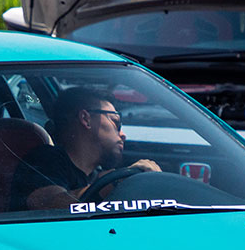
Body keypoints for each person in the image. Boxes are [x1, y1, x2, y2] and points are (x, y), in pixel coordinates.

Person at [8, 86, 159, 211]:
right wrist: (117, 182)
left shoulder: (92, 174)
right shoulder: (45, 159)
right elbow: (47, 203)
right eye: (116, 122)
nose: (123, 134)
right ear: (86, 119)